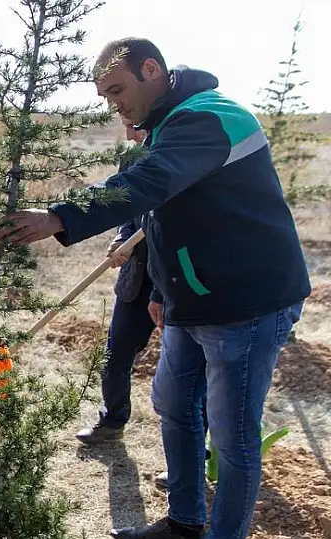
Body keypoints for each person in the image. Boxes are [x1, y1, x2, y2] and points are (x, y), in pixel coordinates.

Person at [0, 38, 309, 539]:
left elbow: (148, 186)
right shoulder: (169, 125)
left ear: (152, 69)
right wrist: (164, 288)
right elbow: (167, 221)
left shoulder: (211, 118)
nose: (114, 105)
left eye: (118, 90)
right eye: (105, 96)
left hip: (246, 302)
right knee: (172, 404)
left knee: (233, 435)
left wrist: (60, 217)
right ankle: (186, 522)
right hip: (194, 300)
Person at [75, 121, 210, 487]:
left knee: (189, 374)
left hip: (181, 279)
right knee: (116, 352)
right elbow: (126, 211)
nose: (133, 135)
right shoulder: (130, 157)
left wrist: (162, 293)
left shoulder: (182, 154)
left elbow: (186, 223)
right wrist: (122, 239)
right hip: (138, 277)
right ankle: (112, 420)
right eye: (127, 128)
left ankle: (195, 456)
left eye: (138, 128)